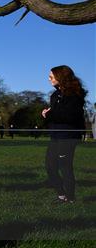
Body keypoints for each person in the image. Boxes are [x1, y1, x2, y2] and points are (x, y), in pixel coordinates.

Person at [41, 65, 86, 203]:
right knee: (50, 166)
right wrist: (46, 114)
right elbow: (56, 115)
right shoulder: (55, 95)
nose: (49, 79)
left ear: (61, 77)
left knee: (65, 167)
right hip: (55, 136)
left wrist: (50, 114)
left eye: (51, 76)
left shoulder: (74, 95)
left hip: (68, 136)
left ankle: (70, 198)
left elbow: (69, 116)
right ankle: (61, 195)